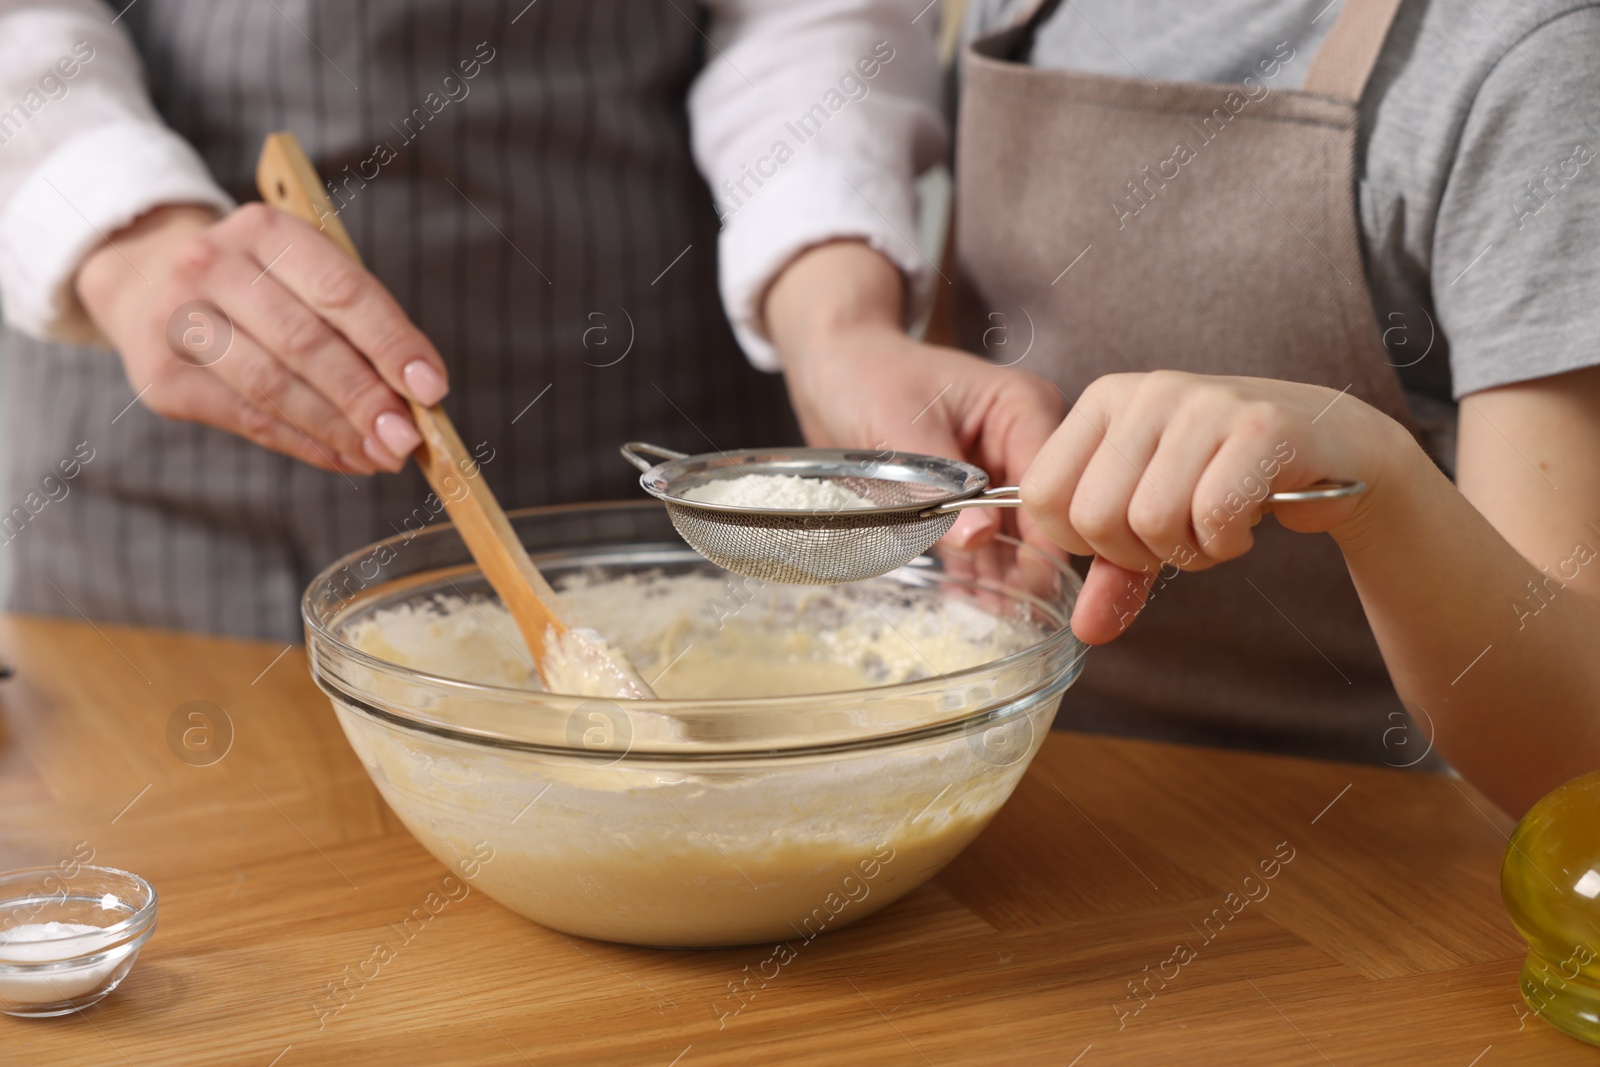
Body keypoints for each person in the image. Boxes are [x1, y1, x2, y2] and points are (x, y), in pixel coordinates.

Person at [746, 0, 1600, 817]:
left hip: (1351, 866)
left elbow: (1576, 763)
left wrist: (1377, 477)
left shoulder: (1536, 57)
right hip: (1001, 814)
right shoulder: (1024, 15)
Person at [0, 0, 946, 639]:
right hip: (142, 518)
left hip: (630, 416)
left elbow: (803, 21)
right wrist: (117, 228)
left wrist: (839, 326)